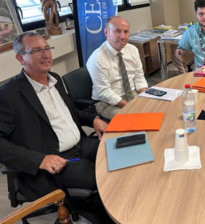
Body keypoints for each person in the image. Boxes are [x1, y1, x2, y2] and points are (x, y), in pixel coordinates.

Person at [0, 32, 108, 201]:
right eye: (36, 50)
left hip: (81, 144)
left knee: (121, 151)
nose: (46, 55)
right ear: (20, 58)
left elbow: (69, 112)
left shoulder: (54, 79)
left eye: (47, 48)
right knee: (107, 178)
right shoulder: (8, 95)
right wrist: (39, 160)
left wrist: (92, 119)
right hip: (56, 158)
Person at [87, 16, 148, 120]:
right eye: (117, 31)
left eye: (126, 32)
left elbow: (139, 76)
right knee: (134, 120)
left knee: (155, 108)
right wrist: (130, 106)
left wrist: (145, 97)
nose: (122, 36)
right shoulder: (98, 58)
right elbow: (104, 92)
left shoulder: (132, 50)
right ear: (106, 32)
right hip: (107, 102)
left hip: (132, 94)